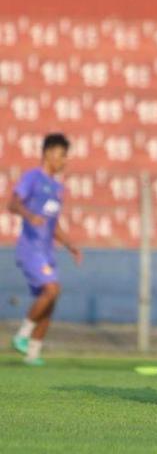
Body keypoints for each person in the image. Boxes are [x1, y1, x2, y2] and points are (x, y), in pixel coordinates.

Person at [9, 133, 82, 366]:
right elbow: (12, 203)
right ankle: (22, 335)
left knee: (50, 300)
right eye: (62, 155)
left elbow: (53, 224)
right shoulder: (32, 177)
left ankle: (32, 353)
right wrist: (29, 215)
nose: (64, 160)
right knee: (52, 289)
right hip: (30, 249)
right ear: (48, 153)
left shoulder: (57, 188)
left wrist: (70, 245)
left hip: (47, 251)